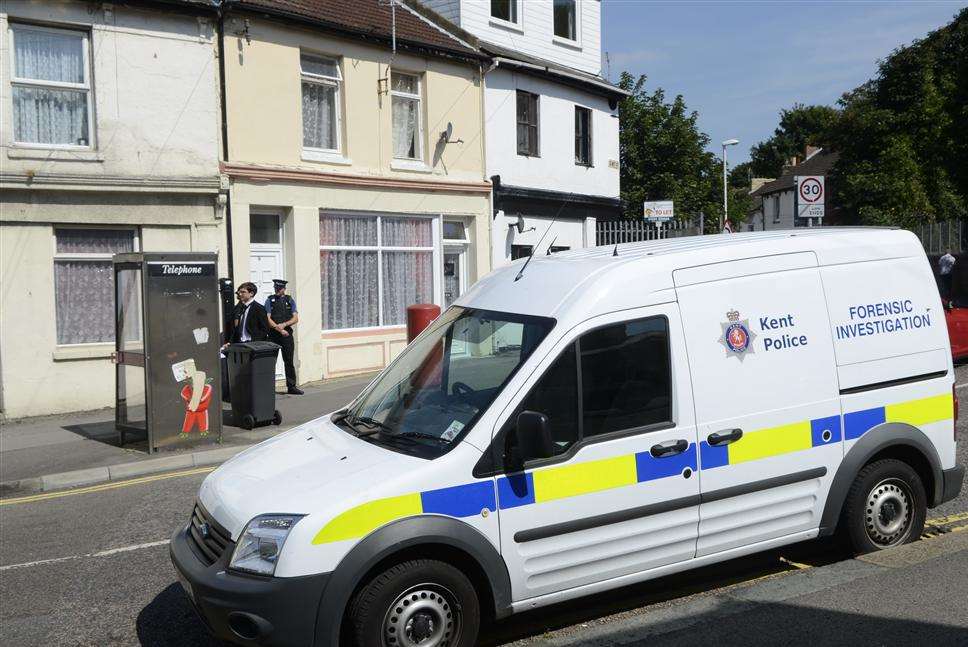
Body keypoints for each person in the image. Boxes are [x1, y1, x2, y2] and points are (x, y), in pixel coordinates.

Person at [265, 279, 303, 395]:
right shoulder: (269, 300)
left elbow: (295, 318)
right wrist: (279, 329)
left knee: (289, 361)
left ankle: (291, 387)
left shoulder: (289, 300)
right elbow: (267, 318)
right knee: (271, 362)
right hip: (274, 335)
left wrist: (285, 325)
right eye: (275, 288)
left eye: (279, 288)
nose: (277, 290)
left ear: (284, 289)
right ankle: (269, 388)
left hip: (287, 335)